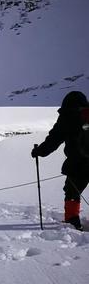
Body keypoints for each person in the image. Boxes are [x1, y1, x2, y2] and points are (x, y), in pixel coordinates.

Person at [32, 91, 89, 231]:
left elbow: (54, 139)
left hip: (78, 164)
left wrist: (40, 151)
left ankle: (72, 221)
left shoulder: (67, 117)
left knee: (72, 192)